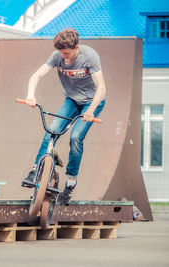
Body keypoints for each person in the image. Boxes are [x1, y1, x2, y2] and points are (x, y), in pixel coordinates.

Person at [21, 28, 106, 206]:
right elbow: (37, 75)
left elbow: (101, 88)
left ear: (76, 47)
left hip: (92, 102)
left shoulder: (89, 56)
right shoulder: (57, 56)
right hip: (72, 100)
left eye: (67, 53)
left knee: (75, 137)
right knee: (51, 130)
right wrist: (30, 95)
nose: (64, 57)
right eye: (61, 53)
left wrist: (90, 110)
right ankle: (36, 169)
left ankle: (70, 182)